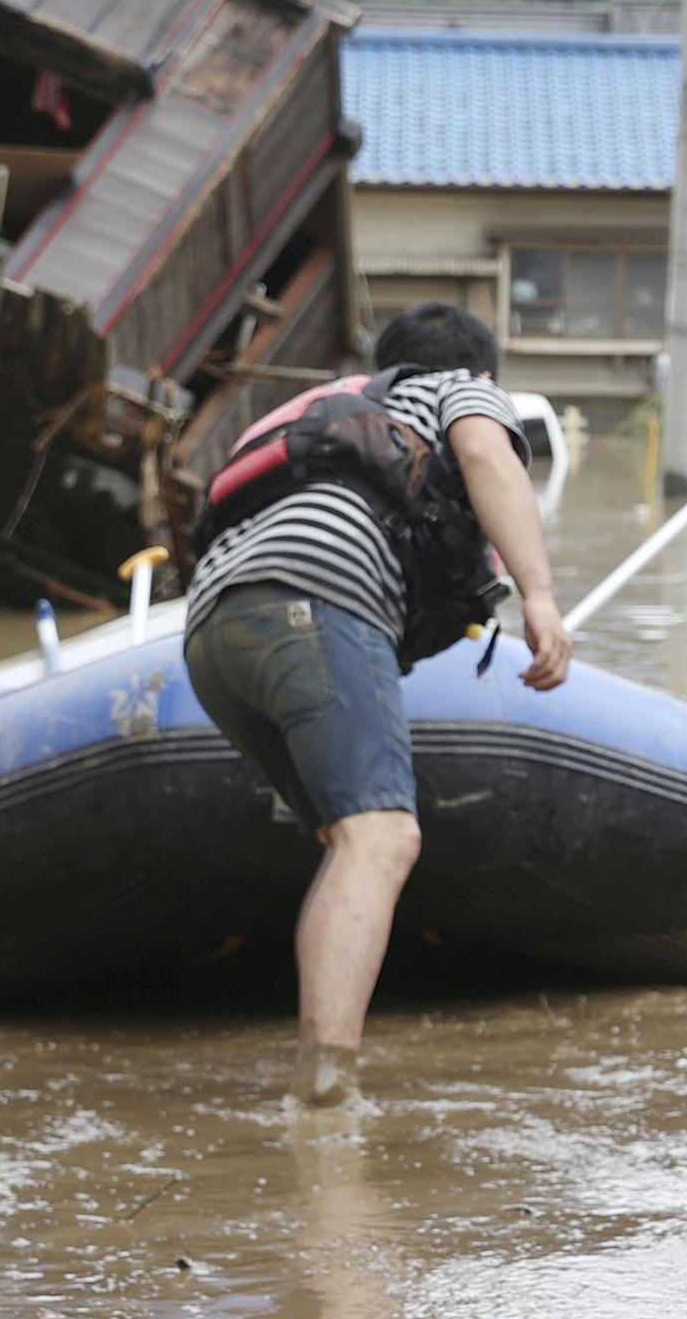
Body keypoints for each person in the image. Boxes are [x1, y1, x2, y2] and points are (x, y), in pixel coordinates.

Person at [183, 303, 572, 1106]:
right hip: (319, 597)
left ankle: (323, 1065)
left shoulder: (328, 411)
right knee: (381, 836)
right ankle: (326, 1093)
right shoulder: (460, 390)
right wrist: (538, 595)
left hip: (212, 628)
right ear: (484, 373)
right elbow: (485, 457)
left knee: (345, 834)